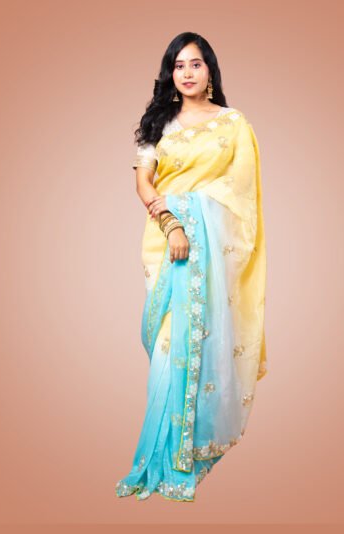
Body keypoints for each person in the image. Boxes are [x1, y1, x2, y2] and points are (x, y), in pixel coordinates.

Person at [115, 31, 267, 502]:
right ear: (169, 73)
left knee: (204, 341)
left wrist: (193, 216)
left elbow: (241, 194)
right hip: (167, 245)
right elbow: (144, 182)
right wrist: (173, 223)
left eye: (195, 64)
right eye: (178, 65)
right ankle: (159, 460)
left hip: (213, 251)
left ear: (210, 71)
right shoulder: (158, 123)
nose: (186, 73)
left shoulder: (233, 124)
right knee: (168, 347)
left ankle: (190, 455)